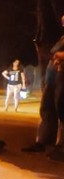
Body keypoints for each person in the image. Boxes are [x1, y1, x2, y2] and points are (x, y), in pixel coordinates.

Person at [22, 14, 64, 156]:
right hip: (53, 71)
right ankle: (44, 141)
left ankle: (61, 147)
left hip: (62, 72)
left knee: (61, 107)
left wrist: (61, 56)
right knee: (47, 106)